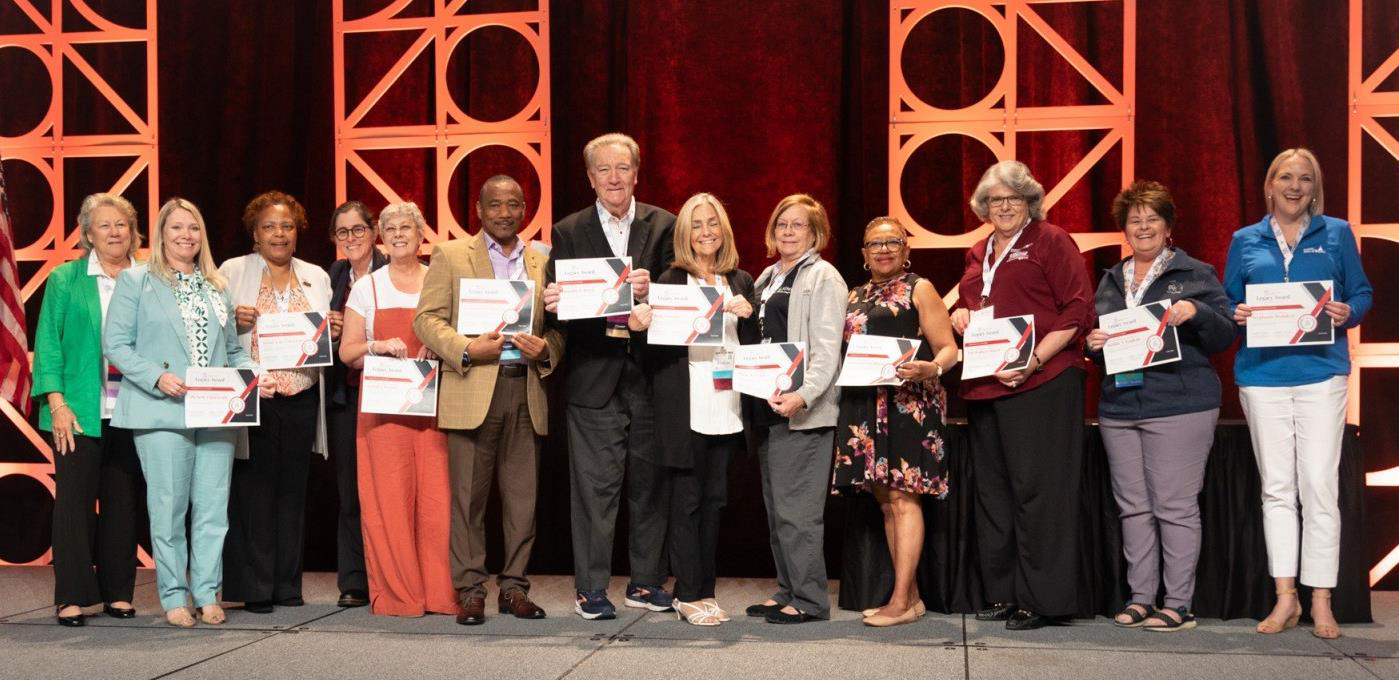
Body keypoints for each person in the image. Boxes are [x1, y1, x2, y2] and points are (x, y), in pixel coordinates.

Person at [103, 198, 273, 627]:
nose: (186, 236)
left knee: (214, 508)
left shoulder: (216, 285)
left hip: (216, 411)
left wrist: (255, 378)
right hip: (162, 409)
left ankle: (207, 591)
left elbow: (233, 349)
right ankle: (174, 596)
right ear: (161, 233)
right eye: (177, 228)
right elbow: (116, 345)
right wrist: (157, 378)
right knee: (169, 506)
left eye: (193, 228)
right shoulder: (136, 280)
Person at [1224, 148, 1372, 640]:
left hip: (1321, 375)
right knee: (1277, 490)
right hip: (1262, 377)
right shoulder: (1244, 239)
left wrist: (1347, 311)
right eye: (1285, 177)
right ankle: (1285, 597)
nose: (1294, 186)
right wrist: (1236, 313)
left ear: (1314, 187)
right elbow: (1227, 300)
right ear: (1269, 185)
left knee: (1319, 487)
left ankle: (1321, 599)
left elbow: (1363, 293)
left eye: (1304, 179)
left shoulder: (1336, 233)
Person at [949, 160, 1095, 631]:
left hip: (1043, 381)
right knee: (995, 494)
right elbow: (977, 306)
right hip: (987, 384)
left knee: (1039, 493)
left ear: (1030, 201)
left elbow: (1077, 309)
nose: (1005, 205)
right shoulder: (978, 251)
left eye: (1014, 197)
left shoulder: (1051, 240)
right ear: (983, 206)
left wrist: (1034, 360)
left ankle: (1044, 598)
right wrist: (962, 318)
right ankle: (1004, 591)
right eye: (995, 199)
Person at [1084, 181, 1235, 632]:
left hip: (1181, 402)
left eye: (1153, 218)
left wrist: (1198, 313)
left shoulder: (1195, 273)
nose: (1144, 226)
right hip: (1119, 405)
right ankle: (1141, 597)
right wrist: (1093, 345)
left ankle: (1179, 603)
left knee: (1174, 505)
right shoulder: (1112, 278)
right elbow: (1100, 336)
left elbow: (1226, 333)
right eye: (1135, 219)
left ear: (1168, 226)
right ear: (1124, 229)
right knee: (1133, 506)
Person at [415, 176, 562, 625]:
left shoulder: (542, 260)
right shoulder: (451, 254)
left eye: (513, 204)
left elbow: (558, 326)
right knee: (468, 501)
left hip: (525, 388)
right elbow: (426, 319)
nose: (504, 212)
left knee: (523, 501)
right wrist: (464, 347)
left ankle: (515, 589)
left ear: (525, 209)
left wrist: (548, 350)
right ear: (478, 209)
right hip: (472, 385)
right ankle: (471, 590)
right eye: (495, 204)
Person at [541, 133, 677, 620]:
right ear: (590, 177)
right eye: (604, 170)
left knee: (650, 487)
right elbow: (560, 309)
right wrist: (552, 301)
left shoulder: (665, 224)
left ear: (637, 173)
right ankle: (590, 589)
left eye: (623, 168)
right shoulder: (568, 229)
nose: (614, 178)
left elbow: (685, 288)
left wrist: (653, 289)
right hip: (593, 378)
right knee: (594, 491)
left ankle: (644, 583)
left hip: (650, 376)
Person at [627, 193, 753, 626]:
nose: (706, 232)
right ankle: (686, 592)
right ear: (684, 233)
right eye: (696, 225)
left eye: (712, 223)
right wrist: (638, 330)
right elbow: (653, 355)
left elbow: (752, 348)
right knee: (687, 503)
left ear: (724, 230)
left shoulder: (740, 280)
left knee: (715, 502)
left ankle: (707, 591)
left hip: (728, 404)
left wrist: (750, 316)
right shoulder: (671, 280)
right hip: (686, 406)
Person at [832, 216, 958, 628]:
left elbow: (948, 350)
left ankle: (900, 600)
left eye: (892, 242)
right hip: (865, 409)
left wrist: (931, 369)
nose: (883, 249)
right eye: (875, 244)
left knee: (905, 500)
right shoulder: (853, 294)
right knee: (887, 502)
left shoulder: (919, 288)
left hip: (908, 408)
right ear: (863, 254)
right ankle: (912, 596)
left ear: (906, 250)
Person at [337, 201, 455, 617]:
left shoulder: (439, 280)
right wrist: (378, 346)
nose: (400, 233)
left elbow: (460, 337)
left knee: (438, 503)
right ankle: (400, 594)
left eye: (408, 226)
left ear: (422, 235)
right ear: (382, 237)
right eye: (391, 227)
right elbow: (347, 351)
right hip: (383, 415)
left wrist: (439, 345)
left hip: (435, 407)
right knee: (389, 502)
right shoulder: (367, 286)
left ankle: (440, 592)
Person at [32, 193, 143, 626]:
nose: (115, 232)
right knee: (74, 504)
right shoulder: (66, 279)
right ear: (87, 234)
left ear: (133, 230)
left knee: (123, 501)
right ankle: (72, 597)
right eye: (105, 225)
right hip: (77, 410)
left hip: (135, 408)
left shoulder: (147, 278)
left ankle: (119, 593)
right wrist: (56, 403)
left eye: (122, 224)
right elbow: (49, 346)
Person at [220, 191, 332, 613]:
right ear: (255, 233)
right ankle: (256, 587)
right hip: (255, 396)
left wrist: (332, 332)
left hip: (302, 397)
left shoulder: (316, 276)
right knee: (255, 493)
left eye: (286, 226)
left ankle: (287, 585)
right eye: (269, 226)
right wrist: (232, 320)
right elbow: (210, 331)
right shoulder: (233, 271)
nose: (279, 234)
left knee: (292, 494)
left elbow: (319, 336)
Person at [743, 193, 847, 624]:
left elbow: (826, 354)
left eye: (798, 225)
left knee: (798, 514)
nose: (787, 231)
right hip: (768, 409)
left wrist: (803, 396)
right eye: (782, 223)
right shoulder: (767, 275)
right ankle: (788, 588)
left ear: (815, 233)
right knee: (777, 511)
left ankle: (809, 600)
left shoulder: (824, 277)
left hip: (802, 413)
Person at [325, 201, 386, 608]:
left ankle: (390, 575)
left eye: (358, 230)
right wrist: (327, 333)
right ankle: (354, 580)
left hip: (392, 393)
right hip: (345, 396)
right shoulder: (329, 277)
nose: (351, 239)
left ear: (375, 230)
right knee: (350, 493)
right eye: (343, 232)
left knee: (388, 491)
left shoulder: (394, 268)